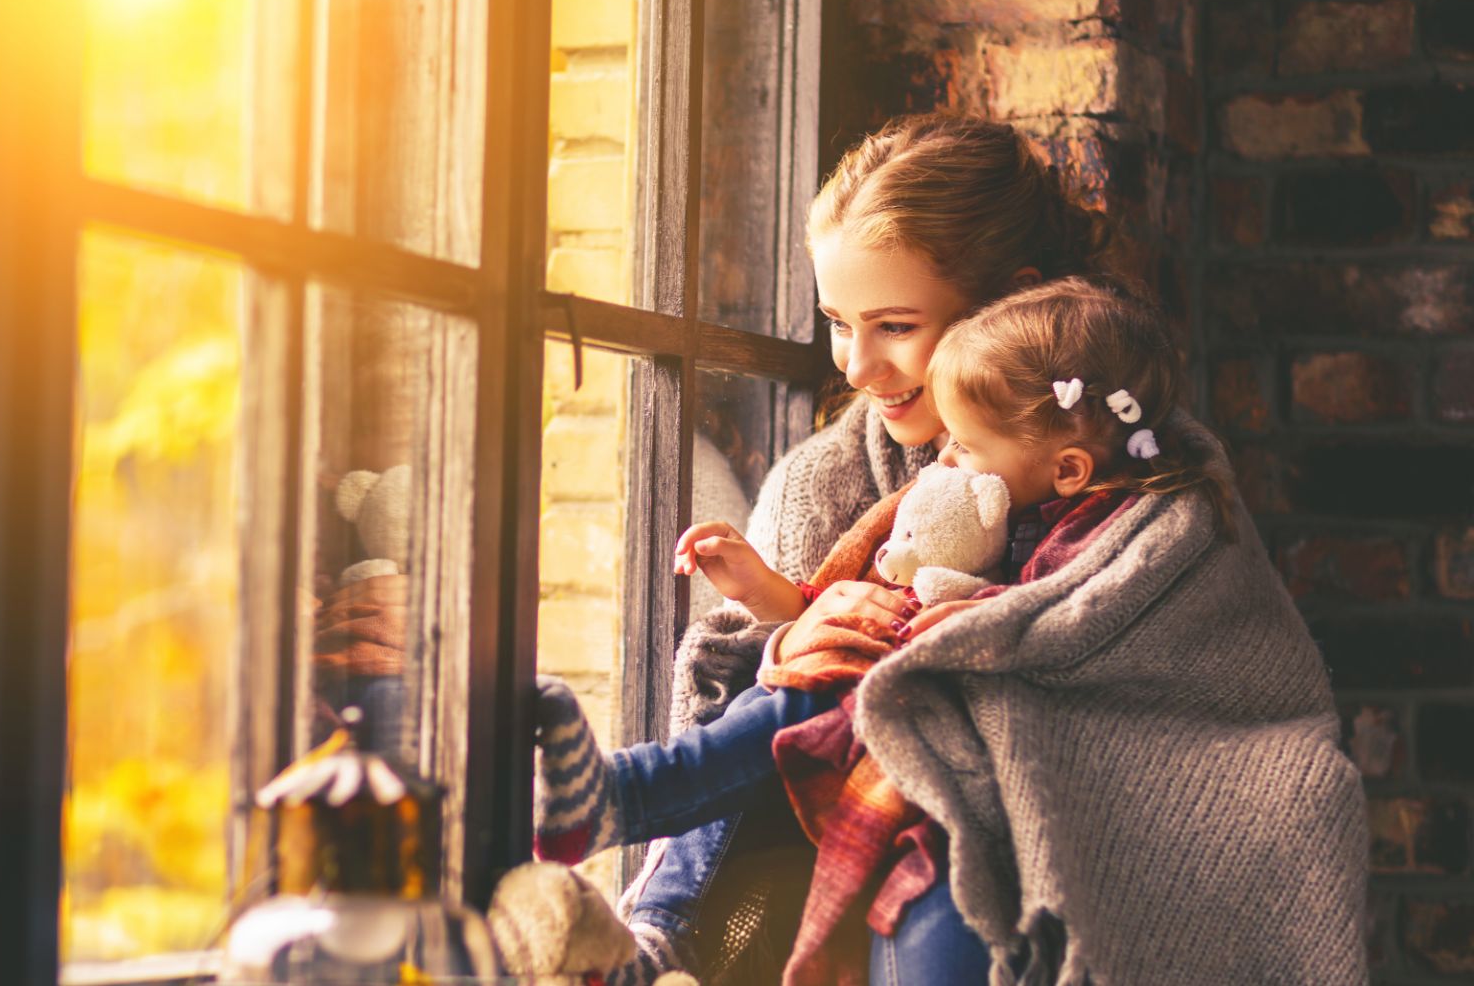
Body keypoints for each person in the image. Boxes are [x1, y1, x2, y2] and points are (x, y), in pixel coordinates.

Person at [545, 114, 1367, 985]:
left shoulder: (1153, 477)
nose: (857, 365)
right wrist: (790, 643)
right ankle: (656, 931)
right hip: (835, 840)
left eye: (894, 326)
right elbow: (730, 701)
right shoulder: (822, 482)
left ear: (1002, 304)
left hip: (1023, 843)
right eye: (835, 321)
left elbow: (1216, 703)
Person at [532, 277, 1238, 982]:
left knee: (824, 709)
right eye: (837, 323)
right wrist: (775, 599)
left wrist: (957, 634)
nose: (945, 461)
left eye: (963, 445)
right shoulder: (944, 479)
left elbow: (1073, 629)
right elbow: (862, 594)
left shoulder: (1122, 527)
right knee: (804, 692)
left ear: (1069, 469)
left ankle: (622, 802)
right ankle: (647, 893)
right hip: (905, 744)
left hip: (998, 758)